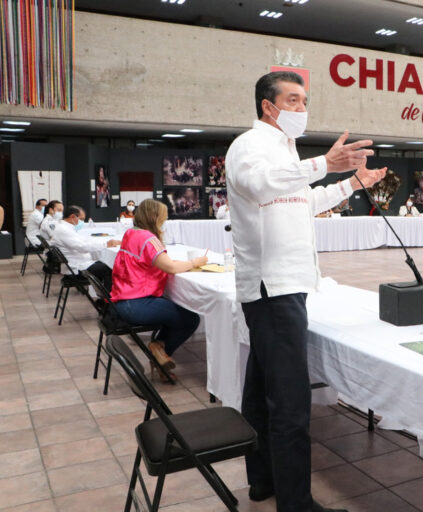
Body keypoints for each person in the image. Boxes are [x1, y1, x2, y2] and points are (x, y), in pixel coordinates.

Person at [227, 70, 385, 512]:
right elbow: (260, 186)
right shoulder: (250, 147)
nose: (302, 109)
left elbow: (303, 202)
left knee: (260, 394)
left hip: (285, 286)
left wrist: (352, 184)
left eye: (304, 100)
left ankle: (263, 482)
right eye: (293, 100)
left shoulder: (285, 151)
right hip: (273, 288)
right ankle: (296, 504)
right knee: (291, 404)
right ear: (268, 106)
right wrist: (324, 165)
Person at [111, 199, 207, 381]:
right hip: (138, 304)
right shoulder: (148, 238)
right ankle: (159, 350)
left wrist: (177, 264)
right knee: (190, 319)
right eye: (163, 217)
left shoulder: (131, 234)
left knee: (173, 312)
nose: (165, 220)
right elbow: (170, 268)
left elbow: (155, 263)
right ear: (155, 217)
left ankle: (159, 351)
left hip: (124, 301)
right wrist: (195, 262)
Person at [50, 205, 120, 290]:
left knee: (105, 263)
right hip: (78, 268)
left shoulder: (67, 228)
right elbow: (82, 247)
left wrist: (105, 243)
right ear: (72, 216)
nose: (82, 222)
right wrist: (105, 245)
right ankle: (109, 300)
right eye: (81, 219)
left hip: (79, 263)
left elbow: (84, 241)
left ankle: (104, 298)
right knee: (110, 269)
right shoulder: (63, 230)